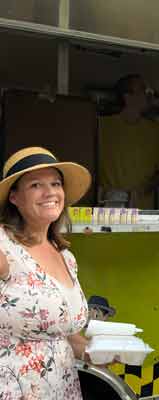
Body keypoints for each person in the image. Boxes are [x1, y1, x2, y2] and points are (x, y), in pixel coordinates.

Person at [0, 146, 92, 399]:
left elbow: (68, 336)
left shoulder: (66, 257)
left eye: (55, 183)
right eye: (35, 185)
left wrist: (95, 352)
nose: (50, 192)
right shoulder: (4, 246)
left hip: (63, 389)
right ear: (14, 197)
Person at [98, 74, 159, 209]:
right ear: (127, 96)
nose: (149, 94)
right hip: (108, 206)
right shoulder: (102, 126)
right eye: (143, 90)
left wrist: (143, 190)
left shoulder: (155, 131)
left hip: (142, 211)